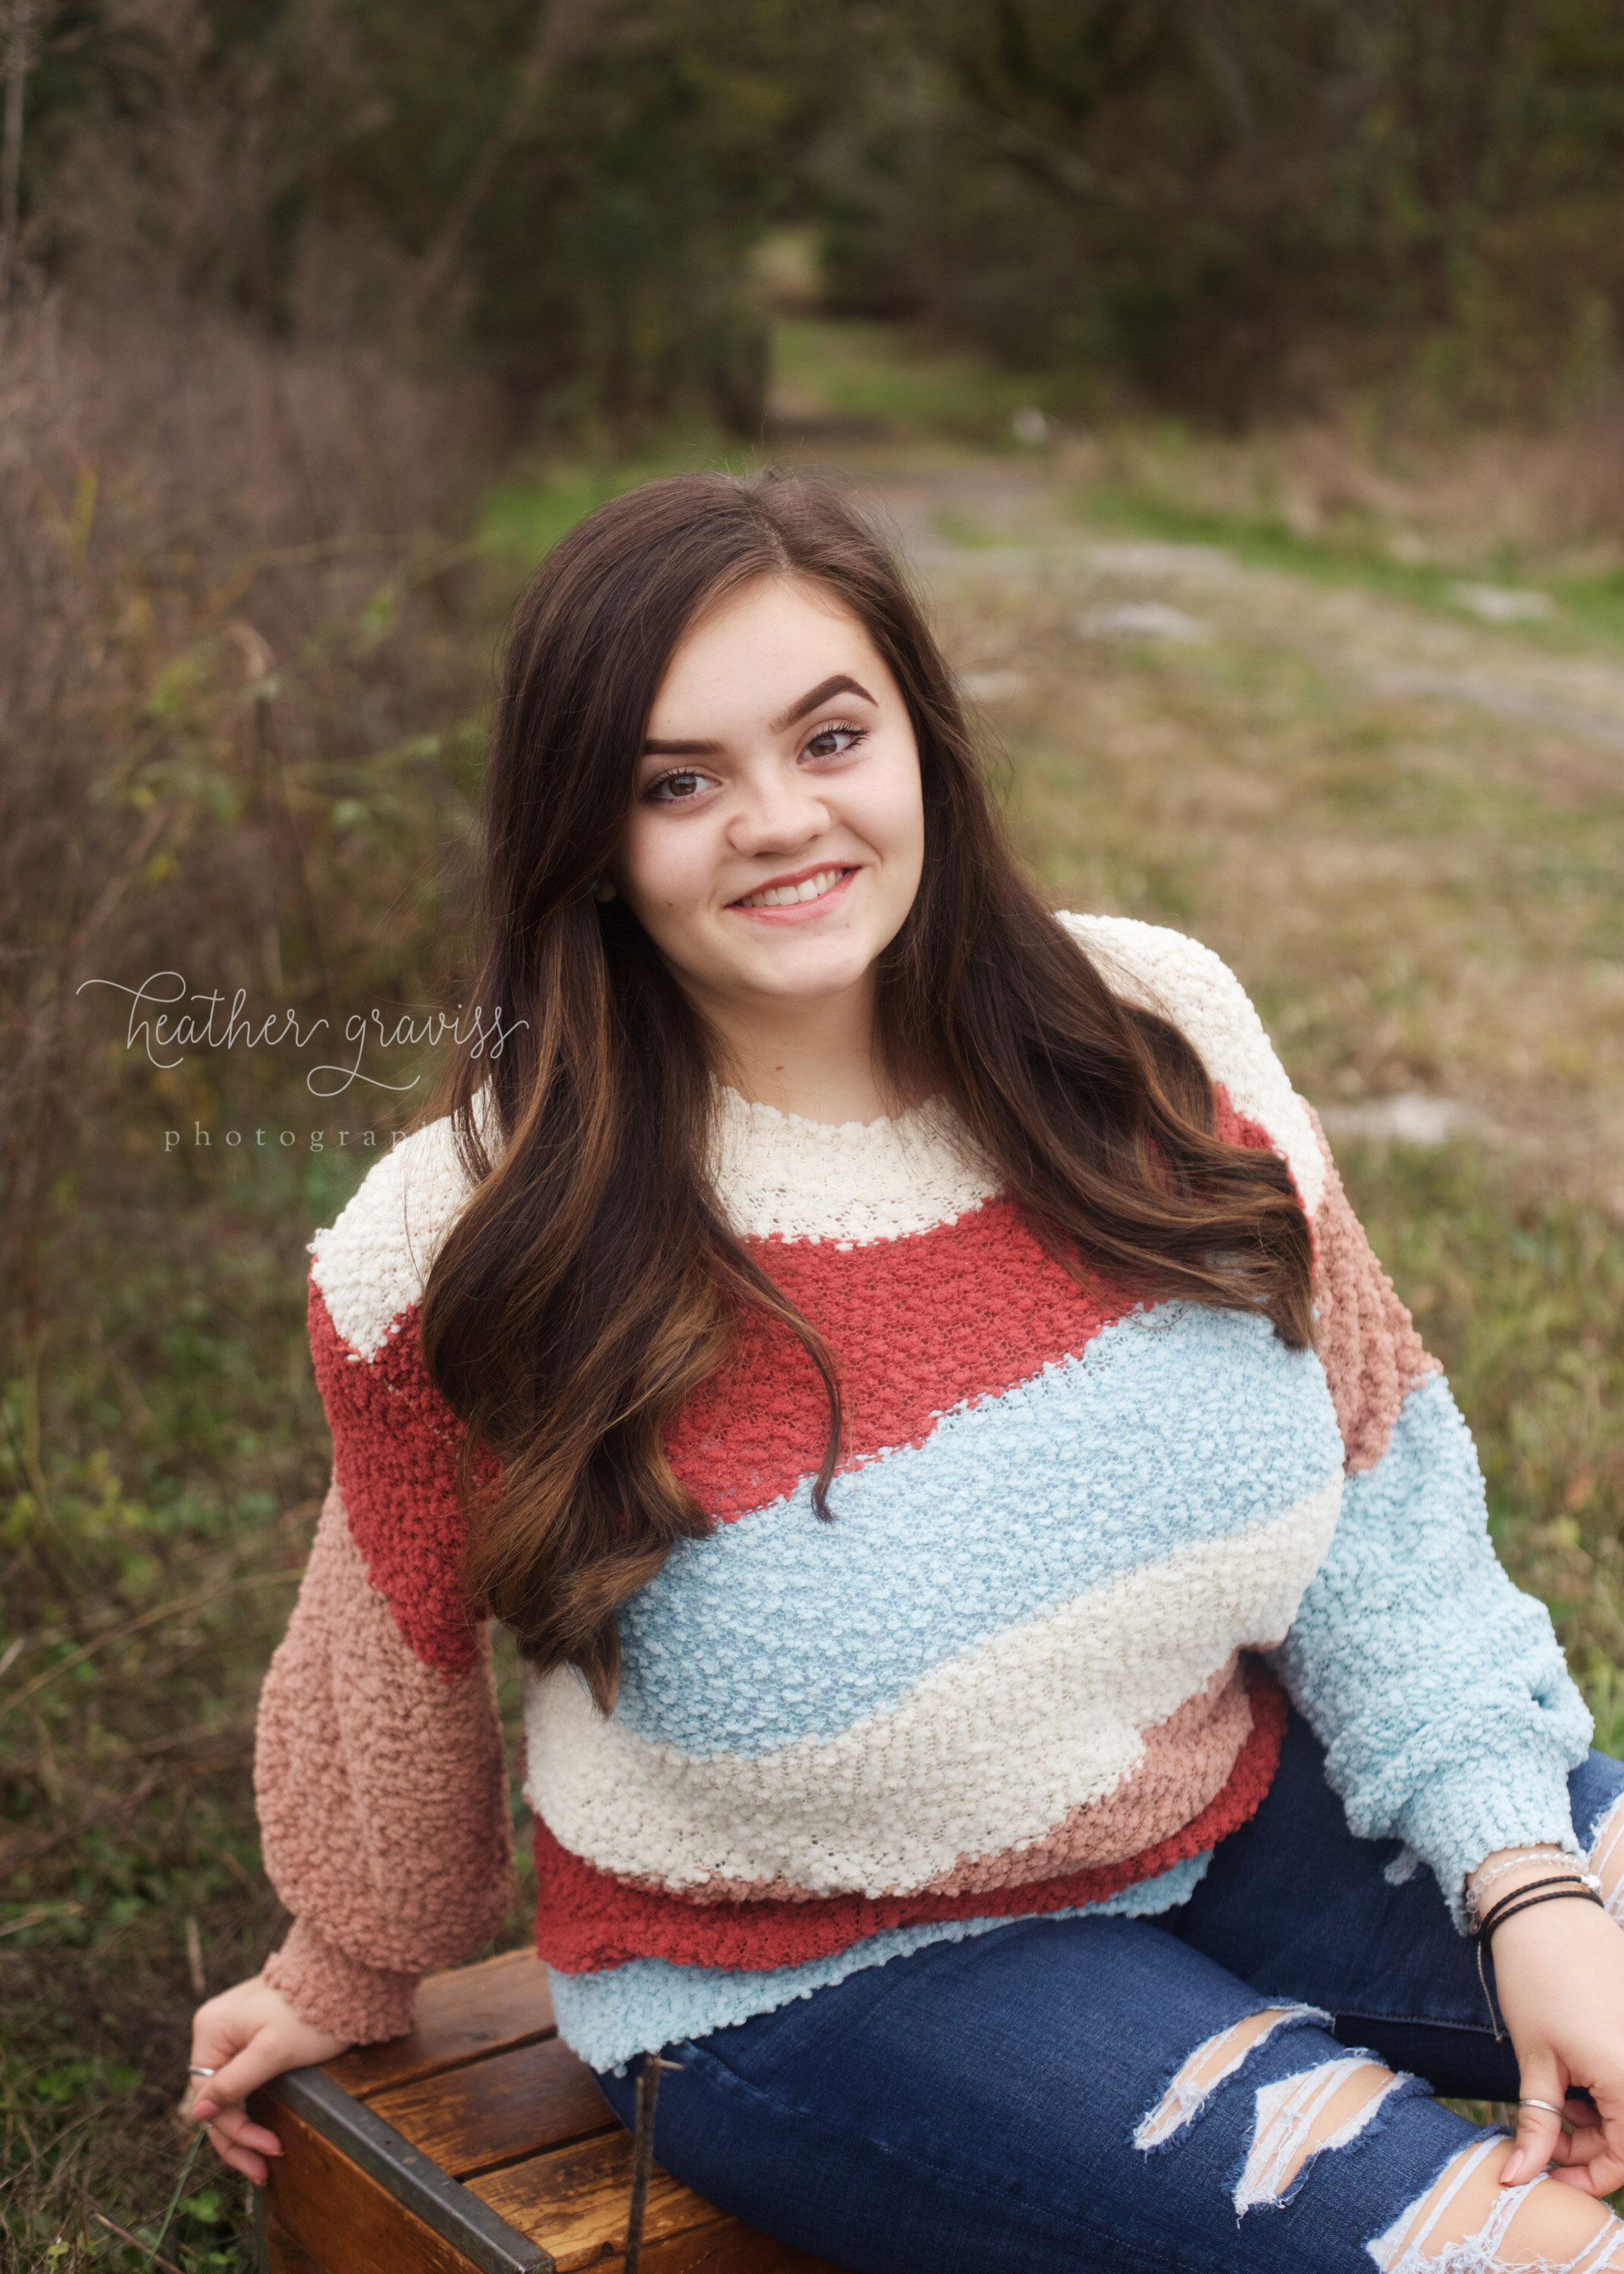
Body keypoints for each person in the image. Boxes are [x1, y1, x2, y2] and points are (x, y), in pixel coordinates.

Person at [186, 469, 1624, 2272]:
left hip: (1235, 1805)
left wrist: (1527, 1874)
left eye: (829, 735)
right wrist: (350, 1957)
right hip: (825, 1973)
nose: (779, 823)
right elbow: (383, 1635)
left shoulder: (1154, 1034)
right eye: (678, 780)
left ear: (919, 741)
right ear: (589, 835)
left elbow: (1379, 1492)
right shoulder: (473, 1227)